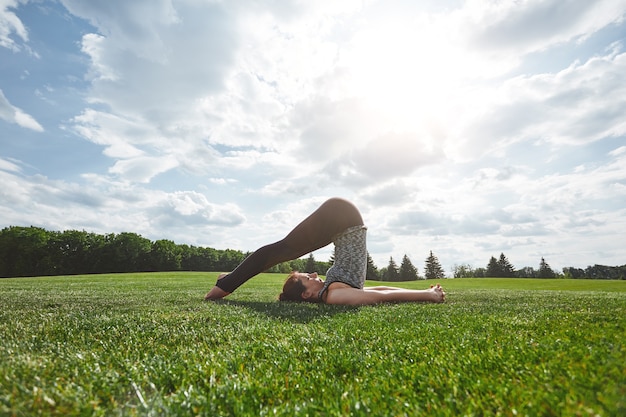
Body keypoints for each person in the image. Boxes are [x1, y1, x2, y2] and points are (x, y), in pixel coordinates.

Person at [204, 197, 445, 305]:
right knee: (285, 248)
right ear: (307, 294)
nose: (312, 274)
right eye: (307, 278)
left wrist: (427, 293)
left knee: (286, 248)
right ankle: (226, 282)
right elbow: (380, 292)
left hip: (340, 217)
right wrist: (426, 293)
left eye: (306, 276)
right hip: (342, 218)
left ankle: (226, 283)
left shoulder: (334, 293)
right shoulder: (334, 295)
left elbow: (379, 295)